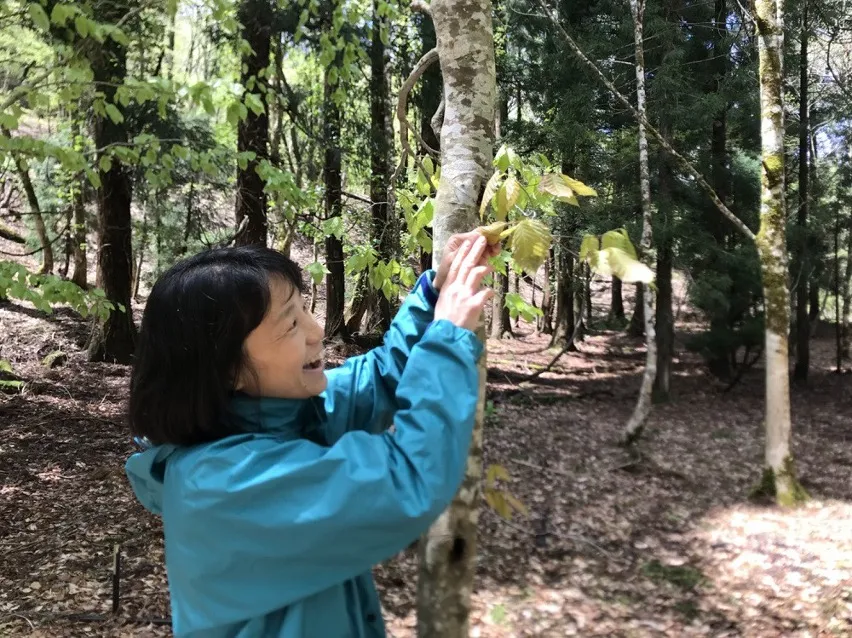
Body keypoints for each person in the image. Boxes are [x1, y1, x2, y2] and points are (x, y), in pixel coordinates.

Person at [125, 232, 497, 637]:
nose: (317, 330)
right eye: (290, 324)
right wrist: (446, 339)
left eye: (306, 308)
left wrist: (434, 291)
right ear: (228, 369)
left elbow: (379, 375)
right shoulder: (225, 485)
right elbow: (409, 476)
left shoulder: (283, 414)